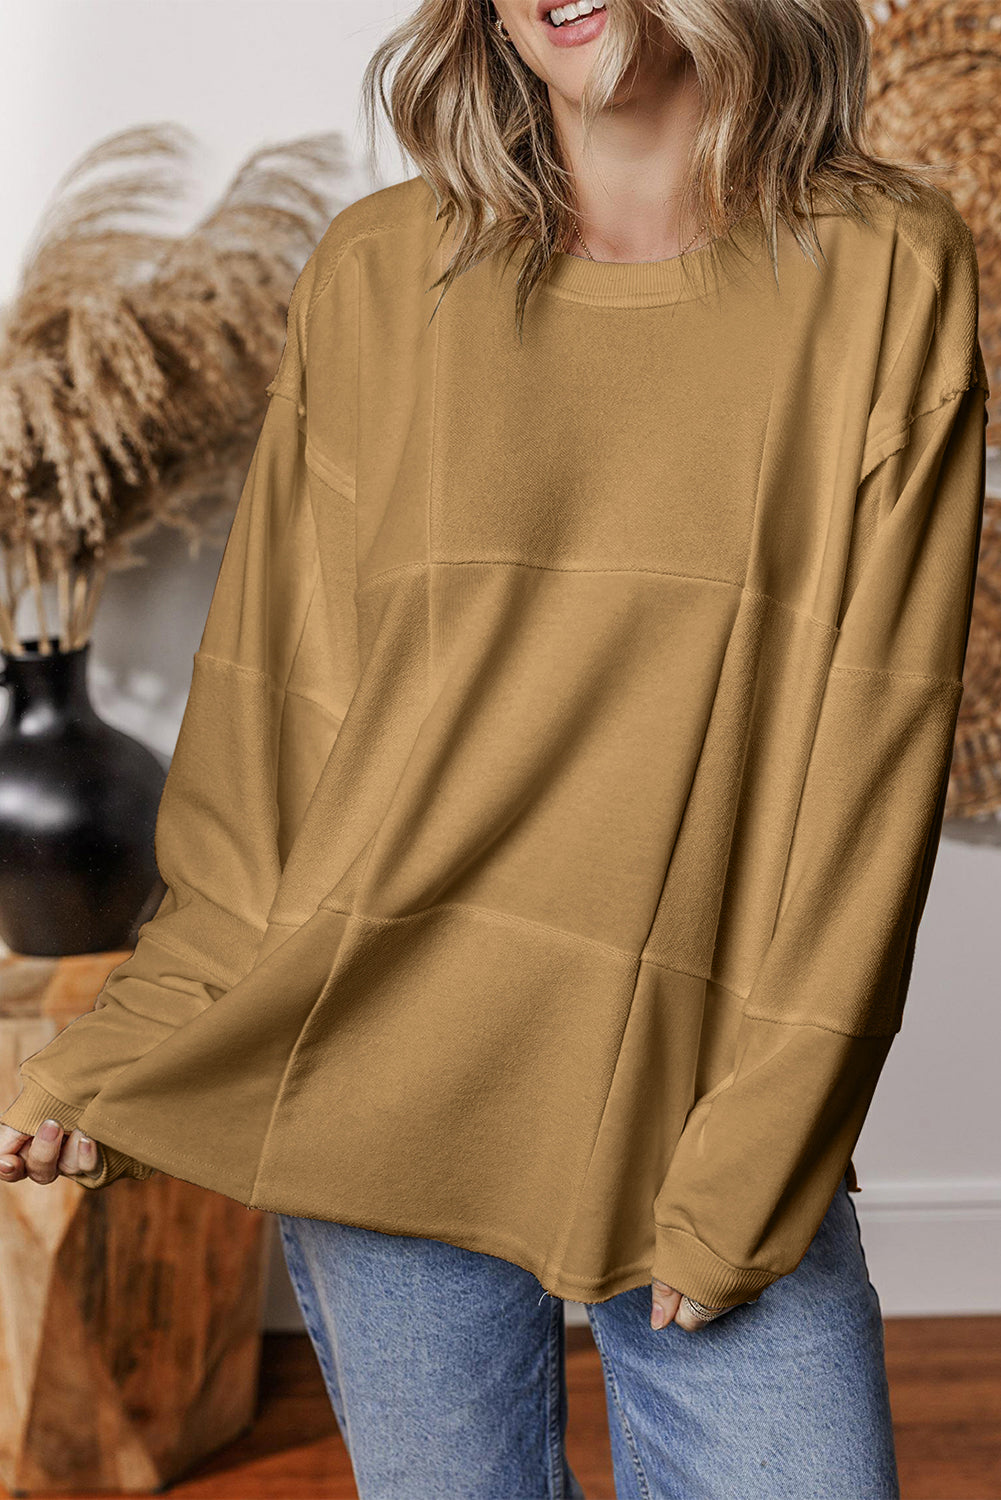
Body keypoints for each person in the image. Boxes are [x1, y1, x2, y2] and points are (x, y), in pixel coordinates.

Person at [0, 0, 988, 1495]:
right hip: (376, 1057)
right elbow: (279, 713)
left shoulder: (881, 266)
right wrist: (150, 1022)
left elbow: (875, 745)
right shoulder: (381, 273)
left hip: (692, 1089)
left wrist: (763, 1142)